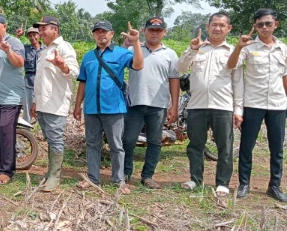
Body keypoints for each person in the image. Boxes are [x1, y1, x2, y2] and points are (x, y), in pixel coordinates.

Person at [73, 20, 144, 194]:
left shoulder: (121, 53)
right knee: (92, 144)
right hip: (91, 109)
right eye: (97, 31)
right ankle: (92, 178)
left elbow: (138, 65)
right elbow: (82, 82)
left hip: (114, 108)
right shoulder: (88, 57)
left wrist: (135, 43)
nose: (101, 34)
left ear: (112, 34)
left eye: (104, 31)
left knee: (116, 145)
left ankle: (118, 180)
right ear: (93, 35)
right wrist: (77, 106)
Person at [177, 12, 243, 197]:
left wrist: (238, 110)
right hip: (196, 105)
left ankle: (222, 182)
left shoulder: (232, 51)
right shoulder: (198, 48)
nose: (217, 28)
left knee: (225, 146)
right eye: (214, 24)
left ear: (228, 29)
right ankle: (195, 179)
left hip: (223, 106)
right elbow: (180, 68)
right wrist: (191, 49)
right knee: (195, 145)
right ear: (207, 27)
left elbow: (238, 82)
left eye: (222, 25)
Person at [227, 8, 287, 202]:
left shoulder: (283, 48)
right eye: (260, 24)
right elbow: (232, 66)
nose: (264, 27)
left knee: (277, 148)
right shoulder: (248, 47)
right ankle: (244, 184)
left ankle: (274, 186)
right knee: (247, 146)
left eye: (268, 24)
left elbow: (285, 77)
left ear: (275, 25)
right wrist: (238, 47)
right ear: (255, 26)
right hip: (253, 103)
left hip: (278, 104)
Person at [122, 17, 180, 189]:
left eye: (158, 30)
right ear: (144, 31)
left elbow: (174, 80)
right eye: (151, 30)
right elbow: (117, 57)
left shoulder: (170, 54)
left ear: (164, 32)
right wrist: (127, 42)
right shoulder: (133, 49)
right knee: (128, 140)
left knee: (154, 141)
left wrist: (174, 105)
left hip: (158, 105)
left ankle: (147, 176)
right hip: (135, 103)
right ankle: (125, 173)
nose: (155, 33)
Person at [30, 16, 79, 191]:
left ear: (55, 30)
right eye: (39, 29)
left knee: (56, 139)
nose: (40, 32)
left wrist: (62, 65)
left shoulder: (64, 48)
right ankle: (50, 172)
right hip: (43, 103)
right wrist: (35, 101)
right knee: (50, 140)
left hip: (56, 103)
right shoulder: (44, 50)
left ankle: (55, 176)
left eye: (44, 29)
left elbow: (74, 72)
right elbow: (41, 79)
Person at [0, 13, 25, 184]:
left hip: (10, 98)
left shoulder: (14, 42)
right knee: (0, 133)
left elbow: (20, 62)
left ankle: (7, 171)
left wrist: (8, 50)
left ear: (4, 27)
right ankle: (4, 165)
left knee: (6, 132)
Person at [16, 26, 43, 123]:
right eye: (30, 36)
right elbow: (15, 49)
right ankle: (27, 130)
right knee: (27, 107)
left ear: (39, 35)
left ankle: (44, 129)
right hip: (28, 81)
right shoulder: (25, 48)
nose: (32, 37)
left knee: (43, 107)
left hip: (42, 81)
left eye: (34, 35)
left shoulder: (45, 49)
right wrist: (18, 37)